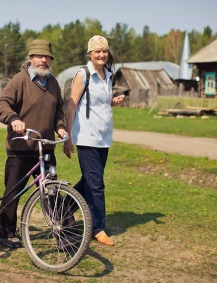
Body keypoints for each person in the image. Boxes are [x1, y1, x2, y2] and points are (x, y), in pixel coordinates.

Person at [0, 39, 67, 248]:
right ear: (31, 58)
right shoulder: (20, 80)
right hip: (21, 148)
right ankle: (5, 233)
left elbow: (58, 110)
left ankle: (65, 233)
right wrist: (13, 119)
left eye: (47, 57)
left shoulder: (52, 82)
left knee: (52, 191)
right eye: (39, 56)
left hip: (46, 148)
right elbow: (0, 104)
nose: (43, 60)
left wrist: (60, 127)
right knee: (13, 194)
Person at [63, 35, 124, 246]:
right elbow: (72, 105)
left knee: (90, 181)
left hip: (103, 137)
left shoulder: (107, 74)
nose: (101, 54)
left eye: (104, 51)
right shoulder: (83, 74)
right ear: (90, 53)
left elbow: (97, 101)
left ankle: (63, 208)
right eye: (97, 51)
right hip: (86, 137)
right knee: (96, 185)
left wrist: (112, 100)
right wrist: (67, 137)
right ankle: (98, 228)